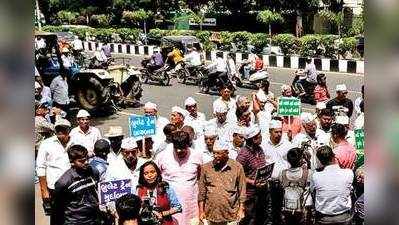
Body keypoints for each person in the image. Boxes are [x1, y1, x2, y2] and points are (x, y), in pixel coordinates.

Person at [154, 131, 203, 225]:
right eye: (176, 148)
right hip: (169, 207)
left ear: (188, 145)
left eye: (182, 148)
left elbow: (200, 177)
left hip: (191, 205)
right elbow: (156, 177)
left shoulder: (197, 156)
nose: (179, 151)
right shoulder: (162, 156)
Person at [198, 139, 246, 225]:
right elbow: (202, 192)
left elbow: (242, 191)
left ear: (226, 153)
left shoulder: (237, 167)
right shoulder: (206, 168)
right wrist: (201, 211)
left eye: (218, 153)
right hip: (210, 214)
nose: (215, 156)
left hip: (231, 215)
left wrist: (241, 210)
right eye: (214, 153)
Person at [36, 119, 72, 225]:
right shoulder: (47, 144)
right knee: (57, 218)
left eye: (63, 129)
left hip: (73, 186)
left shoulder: (75, 141)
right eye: (58, 129)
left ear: (69, 130)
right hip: (54, 188)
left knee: (73, 215)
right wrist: (44, 190)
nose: (60, 131)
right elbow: (40, 167)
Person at [53, 145, 100, 225]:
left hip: (94, 219)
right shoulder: (63, 182)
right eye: (81, 161)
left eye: (87, 159)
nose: (86, 163)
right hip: (75, 221)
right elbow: (58, 207)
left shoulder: (93, 172)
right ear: (72, 162)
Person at [236, 125, 271, 225]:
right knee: (250, 220)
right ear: (253, 139)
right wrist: (253, 182)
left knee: (262, 219)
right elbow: (238, 175)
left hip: (261, 193)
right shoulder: (243, 155)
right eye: (259, 136)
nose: (261, 138)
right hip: (249, 195)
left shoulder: (260, 150)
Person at [310, 146, 354, 225]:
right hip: (344, 218)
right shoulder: (349, 173)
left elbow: (313, 193)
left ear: (320, 161)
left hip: (323, 219)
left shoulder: (315, 176)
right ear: (334, 157)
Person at [261, 120, 293, 225]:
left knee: (282, 209)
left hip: (283, 183)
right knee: (269, 209)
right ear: (270, 131)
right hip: (268, 183)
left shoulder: (287, 145)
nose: (279, 134)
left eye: (280, 132)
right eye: (276, 132)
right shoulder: (263, 144)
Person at [280, 148, 312, 225]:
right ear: (301, 159)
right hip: (303, 209)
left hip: (287, 210)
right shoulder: (308, 173)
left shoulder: (282, 173)